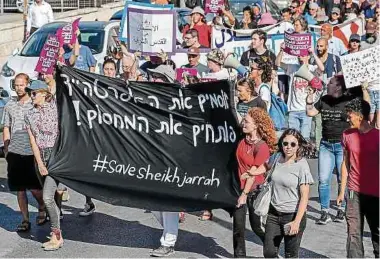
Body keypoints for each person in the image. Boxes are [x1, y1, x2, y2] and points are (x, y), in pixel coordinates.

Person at [246, 129, 314, 258]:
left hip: (292, 216)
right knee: (269, 252)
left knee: (290, 255)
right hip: (274, 214)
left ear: (298, 145)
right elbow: (266, 166)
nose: (288, 147)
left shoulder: (302, 165)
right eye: (285, 143)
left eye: (293, 144)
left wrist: (296, 222)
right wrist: (253, 173)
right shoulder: (277, 157)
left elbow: (305, 197)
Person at [306, 75, 356, 225]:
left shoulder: (348, 101)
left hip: (342, 147)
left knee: (343, 179)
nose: (328, 85)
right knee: (323, 180)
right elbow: (310, 112)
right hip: (326, 145)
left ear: (339, 86)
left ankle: (341, 208)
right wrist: (309, 99)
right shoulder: (324, 100)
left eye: (331, 83)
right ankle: (325, 212)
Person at [3, 73, 46, 232]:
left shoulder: (33, 103)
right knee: (19, 189)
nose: (18, 88)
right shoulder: (9, 105)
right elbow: (6, 127)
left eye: (21, 85)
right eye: (16, 84)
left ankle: (42, 207)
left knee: (35, 188)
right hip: (15, 151)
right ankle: (25, 219)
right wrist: (6, 149)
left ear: (27, 85)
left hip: (31, 151)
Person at [337, 98, 379, 258]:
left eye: (350, 116)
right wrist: (342, 191)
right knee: (353, 232)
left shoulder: (377, 137)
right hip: (354, 191)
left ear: (360, 116)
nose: (347, 119)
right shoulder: (347, 135)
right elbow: (345, 163)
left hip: (376, 192)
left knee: (377, 230)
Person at [234, 107, 277, 257]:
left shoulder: (262, 147)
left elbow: (252, 173)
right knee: (238, 227)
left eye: (247, 121)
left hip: (253, 191)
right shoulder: (242, 138)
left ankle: (271, 250)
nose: (243, 123)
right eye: (244, 120)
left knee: (256, 226)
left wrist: (244, 194)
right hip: (239, 188)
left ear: (256, 125)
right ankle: (239, 256)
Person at [25, 80, 61, 251]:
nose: (31, 96)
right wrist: (39, 163)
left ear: (44, 94)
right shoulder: (29, 114)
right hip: (40, 156)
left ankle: (57, 235)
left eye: (33, 93)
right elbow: (33, 140)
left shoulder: (55, 108)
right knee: (50, 197)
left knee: (47, 197)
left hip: (55, 155)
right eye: (30, 93)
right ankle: (57, 220)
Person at [275, 44, 324, 140]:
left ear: (308, 56)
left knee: (305, 138)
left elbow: (322, 68)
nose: (300, 57)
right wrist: (281, 50)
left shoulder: (312, 68)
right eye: (299, 56)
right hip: (293, 110)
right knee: (293, 138)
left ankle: (304, 155)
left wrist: (313, 52)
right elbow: (277, 63)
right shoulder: (293, 67)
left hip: (306, 109)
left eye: (303, 55)